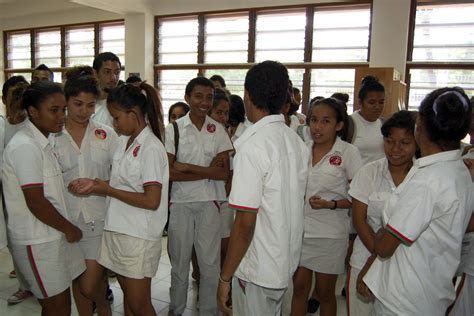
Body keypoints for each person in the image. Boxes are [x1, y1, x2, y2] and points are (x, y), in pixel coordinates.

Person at [361, 87, 474, 315]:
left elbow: (384, 247)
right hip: (429, 289)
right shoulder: (458, 169)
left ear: (419, 123)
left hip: (404, 300)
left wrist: (385, 228)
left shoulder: (428, 181)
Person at [217, 60, 310, 315]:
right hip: (284, 260)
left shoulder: (253, 146)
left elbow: (245, 223)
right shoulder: (296, 141)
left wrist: (225, 278)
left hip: (258, 266)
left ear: (247, 96)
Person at [69, 82, 168, 316]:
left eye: (116, 117)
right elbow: (121, 183)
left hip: (138, 236)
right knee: (130, 303)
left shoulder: (151, 147)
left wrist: (107, 190)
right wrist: (95, 184)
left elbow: (152, 200)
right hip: (119, 230)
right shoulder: (124, 141)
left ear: (133, 114)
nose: (114, 123)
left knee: (139, 304)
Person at [3, 81, 86, 315]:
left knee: (60, 306)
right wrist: (70, 228)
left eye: (63, 109)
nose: (61, 116)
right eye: (54, 110)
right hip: (36, 240)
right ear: (33, 112)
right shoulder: (25, 146)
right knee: (57, 308)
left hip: (51, 235)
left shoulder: (43, 141)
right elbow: (36, 201)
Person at [50, 73, 118, 316]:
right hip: (63, 219)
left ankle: (102, 304)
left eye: (90, 105)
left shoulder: (106, 134)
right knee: (77, 278)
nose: (84, 111)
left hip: (97, 219)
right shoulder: (52, 137)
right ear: (66, 102)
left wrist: (99, 185)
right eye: (78, 104)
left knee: (88, 284)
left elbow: (122, 177)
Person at [165, 77, 233, 316]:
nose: (204, 102)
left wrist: (188, 167)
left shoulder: (218, 130)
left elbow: (224, 172)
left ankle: (208, 311)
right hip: (181, 204)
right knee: (179, 265)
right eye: (198, 96)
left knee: (210, 265)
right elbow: (170, 173)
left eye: (209, 97)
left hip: (210, 204)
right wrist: (207, 171)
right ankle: (176, 309)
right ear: (187, 98)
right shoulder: (173, 129)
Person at [290, 98, 362, 316]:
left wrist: (330, 204)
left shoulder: (348, 153)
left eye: (325, 121)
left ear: (339, 125)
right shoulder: (302, 149)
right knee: (299, 289)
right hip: (301, 231)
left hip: (330, 234)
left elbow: (359, 199)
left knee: (324, 292)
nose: (317, 127)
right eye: (313, 120)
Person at [347, 111, 417, 316]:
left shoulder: (421, 178)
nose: (395, 149)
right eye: (389, 141)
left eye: (404, 142)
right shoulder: (369, 172)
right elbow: (359, 220)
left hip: (405, 266)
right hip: (363, 258)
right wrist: (377, 257)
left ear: (417, 143)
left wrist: (379, 259)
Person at [349, 76, 385, 165]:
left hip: (380, 176)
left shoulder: (384, 124)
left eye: (381, 102)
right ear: (360, 102)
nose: (377, 107)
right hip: (356, 176)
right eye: (372, 102)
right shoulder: (350, 123)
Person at [92, 52, 122, 127]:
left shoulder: (123, 106)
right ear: (95, 73)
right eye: (107, 72)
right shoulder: (86, 105)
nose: (113, 78)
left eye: (117, 72)